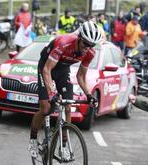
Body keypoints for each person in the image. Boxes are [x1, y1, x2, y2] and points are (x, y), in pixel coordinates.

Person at [28, 21, 101, 157]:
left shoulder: (90, 53)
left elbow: (80, 76)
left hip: (62, 70)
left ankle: (64, 146)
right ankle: (33, 139)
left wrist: (89, 95)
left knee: (68, 106)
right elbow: (47, 70)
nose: (87, 48)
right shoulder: (63, 42)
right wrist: (52, 93)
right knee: (46, 109)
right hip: (46, 66)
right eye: (85, 43)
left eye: (91, 45)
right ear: (79, 38)